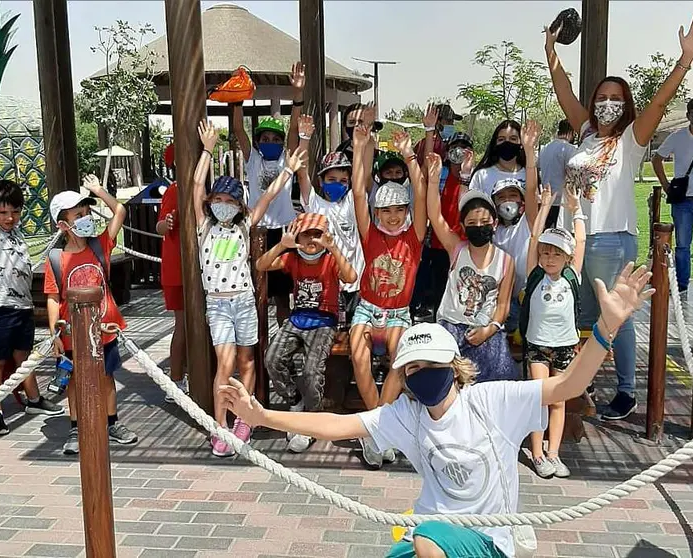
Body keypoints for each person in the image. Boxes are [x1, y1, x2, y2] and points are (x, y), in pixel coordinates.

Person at [220, 263, 653, 558]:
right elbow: (336, 424)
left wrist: (605, 328)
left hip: (486, 540)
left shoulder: (492, 402)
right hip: (430, 536)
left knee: (428, 540)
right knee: (420, 542)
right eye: (412, 369)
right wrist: (263, 417)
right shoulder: (406, 415)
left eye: (431, 366)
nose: (421, 374)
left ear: (454, 366)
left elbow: (569, 384)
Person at [545, 11, 693, 420]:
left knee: (613, 313)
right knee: (579, 314)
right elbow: (564, 90)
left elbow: (659, 100)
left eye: (614, 98)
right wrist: (550, 51)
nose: (606, 104)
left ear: (625, 103)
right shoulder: (585, 133)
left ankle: (625, 390)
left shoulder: (632, 138)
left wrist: (685, 59)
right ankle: (581, 386)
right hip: (575, 238)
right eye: (600, 97)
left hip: (611, 237)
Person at [193, 119, 306, 458]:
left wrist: (287, 171)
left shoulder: (243, 225)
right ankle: (221, 425)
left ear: (239, 205)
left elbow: (269, 195)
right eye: (219, 198)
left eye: (230, 199)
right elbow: (197, 184)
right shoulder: (204, 226)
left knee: (247, 362)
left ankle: (245, 420)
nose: (223, 203)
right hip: (217, 304)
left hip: (243, 302)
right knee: (224, 365)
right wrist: (207, 150)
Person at [350, 123, 428, 469]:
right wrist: (359, 147)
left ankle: (378, 430)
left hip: (398, 312)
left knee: (399, 360)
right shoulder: (370, 235)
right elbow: (356, 193)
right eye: (386, 211)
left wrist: (411, 156)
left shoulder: (414, 236)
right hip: (367, 308)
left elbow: (423, 194)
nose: (393, 216)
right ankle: (376, 428)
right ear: (377, 213)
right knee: (358, 356)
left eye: (399, 210)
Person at [0, 155, 63, 436]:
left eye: (15, 211)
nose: (10, 217)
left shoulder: (17, 233)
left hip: (21, 306)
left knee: (25, 356)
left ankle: (33, 399)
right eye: (3, 212)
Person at [44, 176, 137, 455]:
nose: (86, 218)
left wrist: (98, 191)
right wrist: (54, 334)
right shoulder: (57, 259)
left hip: (105, 330)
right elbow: (52, 297)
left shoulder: (100, 245)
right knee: (73, 380)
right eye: (78, 215)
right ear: (63, 225)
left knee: (107, 377)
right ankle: (76, 427)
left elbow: (119, 211)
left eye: (87, 212)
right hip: (72, 334)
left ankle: (112, 423)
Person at [256, 213, 357, 453]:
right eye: (307, 234)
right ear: (298, 236)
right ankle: (295, 400)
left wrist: (333, 248)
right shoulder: (291, 258)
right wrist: (282, 244)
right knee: (272, 357)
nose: (312, 239)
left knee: (312, 372)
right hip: (297, 317)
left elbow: (351, 277)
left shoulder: (331, 259)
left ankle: (310, 423)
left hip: (324, 321)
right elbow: (261, 265)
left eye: (317, 234)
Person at [426, 154, 517, 383]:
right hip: (451, 326)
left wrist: (491, 328)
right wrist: (434, 180)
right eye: (472, 224)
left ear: (495, 223)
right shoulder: (456, 249)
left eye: (485, 223)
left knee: (499, 374)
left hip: (486, 329)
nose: (479, 228)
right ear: (464, 226)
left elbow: (503, 304)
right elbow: (435, 217)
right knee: (445, 378)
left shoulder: (506, 261)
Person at [230, 62, 305, 324]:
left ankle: (283, 339)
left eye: (276, 139)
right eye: (265, 139)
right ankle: (261, 350)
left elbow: (295, 130)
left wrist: (297, 96)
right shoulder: (253, 159)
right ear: (259, 142)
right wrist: (237, 96)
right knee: (259, 292)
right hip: (258, 230)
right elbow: (239, 130)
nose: (270, 143)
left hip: (284, 231)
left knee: (284, 295)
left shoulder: (287, 158)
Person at [521, 184, 586, 479]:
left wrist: (576, 209)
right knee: (539, 399)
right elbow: (534, 237)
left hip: (565, 345)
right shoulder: (535, 274)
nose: (549, 259)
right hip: (537, 345)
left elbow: (581, 239)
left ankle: (553, 452)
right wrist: (544, 206)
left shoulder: (573, 275)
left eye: (556, 254)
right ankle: (537, 454)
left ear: (568, 258)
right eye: (545, 253)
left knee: (559, 400)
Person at [297, 115, 364, 326]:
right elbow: (301, 173)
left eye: (343, 181)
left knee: (355, 338)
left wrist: (361, 144)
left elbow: (362, 178)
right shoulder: (314, 204)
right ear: (321, 181)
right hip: (328, 286)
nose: (338, 184)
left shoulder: (353, 202)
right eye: (331, 180)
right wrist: (304, 139)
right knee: (330, 338)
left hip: (357, 284)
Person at [412, 130, 474, 322]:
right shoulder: (441, 175)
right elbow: (424, 173)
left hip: (465, 247)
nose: (459, 154)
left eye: (464, 150)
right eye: (455, 150)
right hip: (439, 244)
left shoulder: (475, 178)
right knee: (438, 288)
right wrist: (429, 131)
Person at [651, 96, 693, 297]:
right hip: (683, 201)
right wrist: (666, 185)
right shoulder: (677, 136)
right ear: (688, 115)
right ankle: (682, 286)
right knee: (683, 246)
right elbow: (656, 158)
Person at [489, 120, 542, 332]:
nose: (508, 200)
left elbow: (530, 190)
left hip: (525, 298)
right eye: (502, 197)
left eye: (513, 195)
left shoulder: (528, 223)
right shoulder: (491, 230)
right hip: (498, 299)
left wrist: (529, 153)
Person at [156, 163, 187, 403]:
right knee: (183, 326)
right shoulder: (175, 190)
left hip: (195, 270)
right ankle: (176, 380)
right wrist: (166, 224)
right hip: (177, 270)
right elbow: (159, 226)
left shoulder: (199, 188)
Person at [468, 120, 529, 196]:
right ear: (495, 143)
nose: (507, 143)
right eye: (501, 139)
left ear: (521, 143)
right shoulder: (481, 176)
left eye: (513, 138)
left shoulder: (529, 174)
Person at [538, 119, 577, 229]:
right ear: (571, 132)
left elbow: (537, 168)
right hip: (562, 203)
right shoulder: (569, 149)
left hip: (546, 200)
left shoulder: (545, 149)